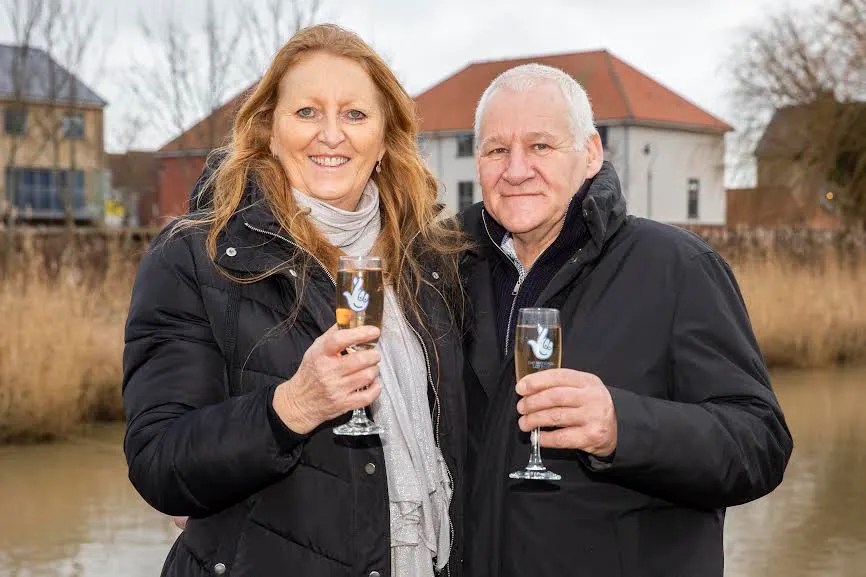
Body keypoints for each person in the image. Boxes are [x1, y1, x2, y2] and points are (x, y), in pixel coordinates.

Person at [123, 24, 469, 577]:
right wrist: (292, 407)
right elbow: (159, 462)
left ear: (384, 139)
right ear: (267, 130)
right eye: (307, 112)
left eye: (355, 114)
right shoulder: (196, 255)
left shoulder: (428, 261)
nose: (330, 134)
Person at [459, 63, 793, 577]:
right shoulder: (444, 270)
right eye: (497, 149)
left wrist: (623, 426)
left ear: (590, 153)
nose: (517, 168)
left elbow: (760, 443)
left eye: (541, 146)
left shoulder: (677, 268)